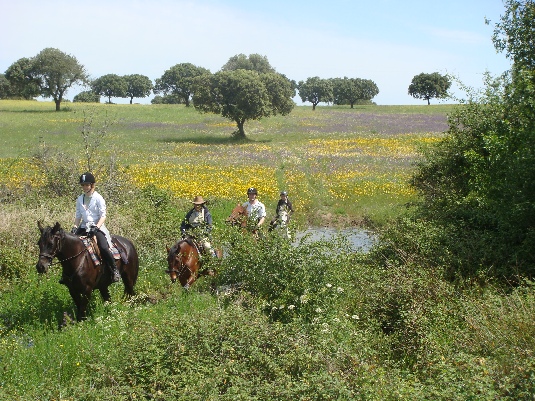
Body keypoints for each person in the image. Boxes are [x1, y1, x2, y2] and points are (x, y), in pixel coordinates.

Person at [70, 172, 120, 282]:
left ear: (92, 185)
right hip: (84, 226)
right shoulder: (79, 199)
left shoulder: (98, 198)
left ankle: (114, 270)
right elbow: (78, 215)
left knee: (103, 247)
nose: (84, 187)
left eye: (86, 185)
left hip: (97, 226)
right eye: (83, 185)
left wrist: (96, 227)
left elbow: (103, 216)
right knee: (70, 244)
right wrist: (75, 226)